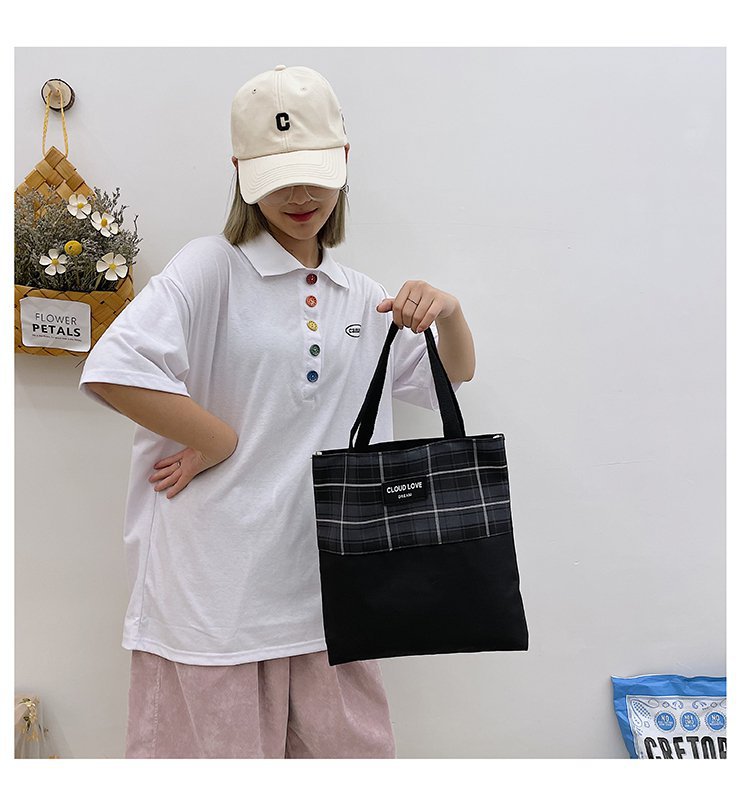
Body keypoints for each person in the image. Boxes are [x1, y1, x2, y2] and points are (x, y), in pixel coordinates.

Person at [78, 64, 476, 759]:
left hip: (332, 596)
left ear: (344, 161)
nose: (299, 196)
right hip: (214, 602)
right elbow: (113, 369)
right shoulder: (211, 267)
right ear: (241, 172)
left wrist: (451, 312)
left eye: (315, 174)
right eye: (278, 176)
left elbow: (452, 375)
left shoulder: (361, 295)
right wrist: (219, 439)